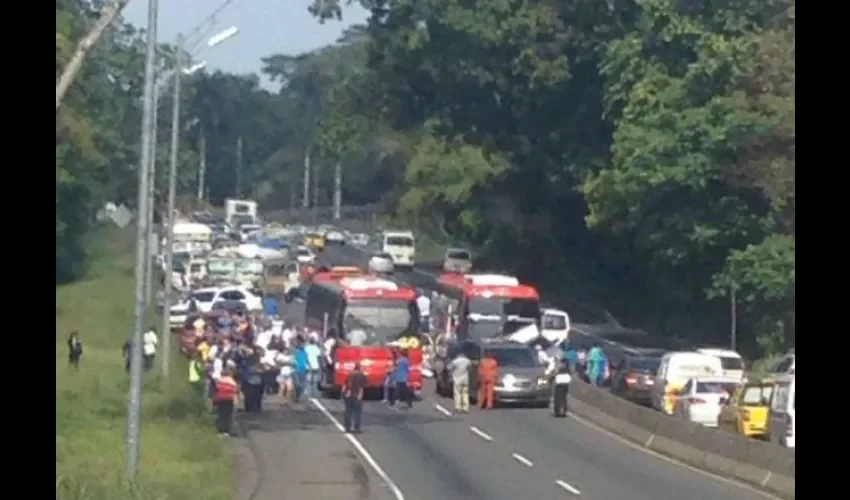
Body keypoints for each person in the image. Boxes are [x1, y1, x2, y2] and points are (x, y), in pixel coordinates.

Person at [342, 362, 367, 433]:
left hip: (348, 395)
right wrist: (360, 396)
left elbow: (344, 385)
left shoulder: (349, 374)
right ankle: (357, 428)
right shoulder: (361, 375)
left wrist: (343, 394)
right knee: (357, 412)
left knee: (348, 411)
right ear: (359, 368)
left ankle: (347, 427)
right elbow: (361, 387)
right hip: (356, 395)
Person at [213, 367, 239, 436]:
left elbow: (216, 391)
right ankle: (226, 431)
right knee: (228, 415)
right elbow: (234, 392)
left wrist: (215, 401)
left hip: (220, 399)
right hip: (229, 399)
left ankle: (220, 431)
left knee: (221, 415)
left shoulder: (219, 381)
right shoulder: (232, 382)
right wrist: (235, 402)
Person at [448, 348, 472, 413]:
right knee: (465, 393)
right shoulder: (468, 361)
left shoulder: (455, 361)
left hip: (457, 378)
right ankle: (465, 407)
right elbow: (470, 369)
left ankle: (458, 407)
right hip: (465, 379)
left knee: (457, 393)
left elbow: (449, 368)